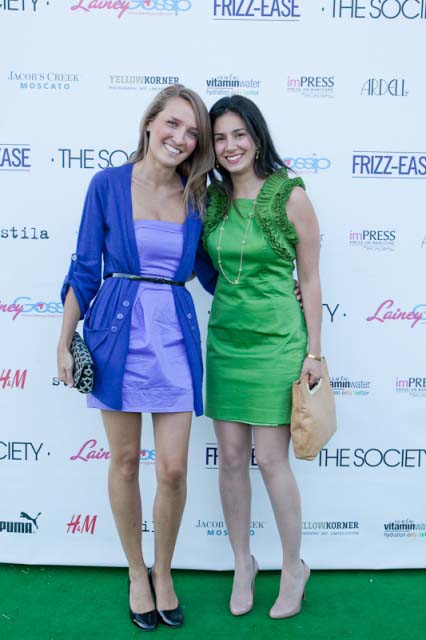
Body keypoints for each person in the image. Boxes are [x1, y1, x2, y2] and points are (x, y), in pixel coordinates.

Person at [57, 85, 215, 631]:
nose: (181, 138)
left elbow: (218, 270)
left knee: (172, 469)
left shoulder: (198, 195)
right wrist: (63, 340)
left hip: (174, 337)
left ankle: (163, 570)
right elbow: (85, 268)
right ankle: (135, 571)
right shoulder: (106, 184)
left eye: (192, 132)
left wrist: (278, 286)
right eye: (173, 123)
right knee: (125, 462)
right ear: (150, 122)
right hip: (117, 335)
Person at [202, 95, 322, 619]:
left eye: (239, 135)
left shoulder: (289, 194)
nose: (230, 146)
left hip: (277, 343)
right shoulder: (209, 199)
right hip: (226, 341)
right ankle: (242, 563)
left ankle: (294, 567)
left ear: (256, 137)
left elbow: (311, 279)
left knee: (272, 461)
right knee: (231, 459)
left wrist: (315, 353)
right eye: (219, 137)